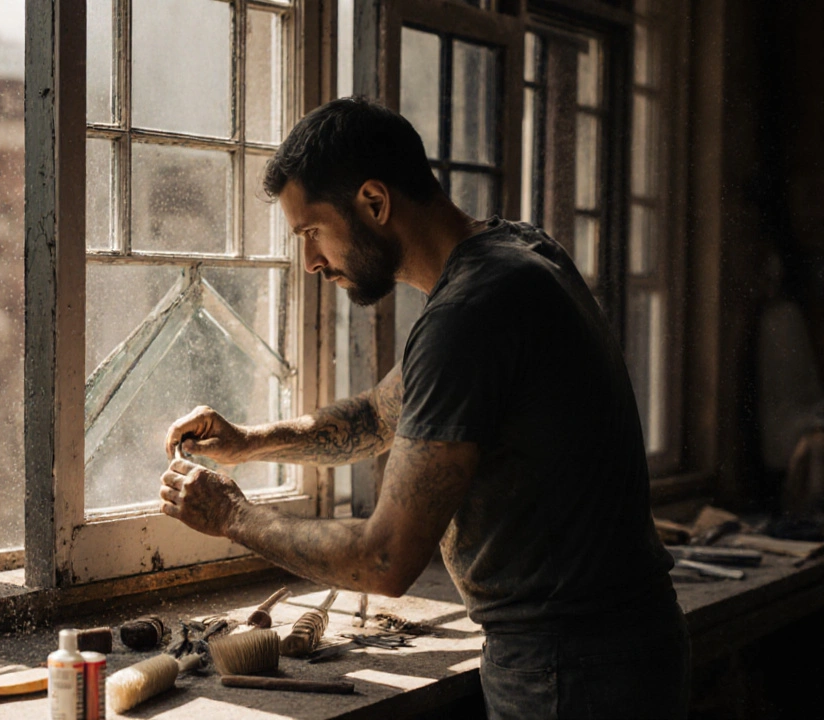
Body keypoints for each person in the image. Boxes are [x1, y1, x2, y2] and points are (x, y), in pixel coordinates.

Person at [159, 97, 690, 719]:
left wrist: (232, 515)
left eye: (311, 233)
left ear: (374, 202)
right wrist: (249, 442)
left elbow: (383, 559)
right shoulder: (518, 255)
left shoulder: (469, 314)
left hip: (569, 668)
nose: (311, 263)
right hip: (619, 643)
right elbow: (376, 417)